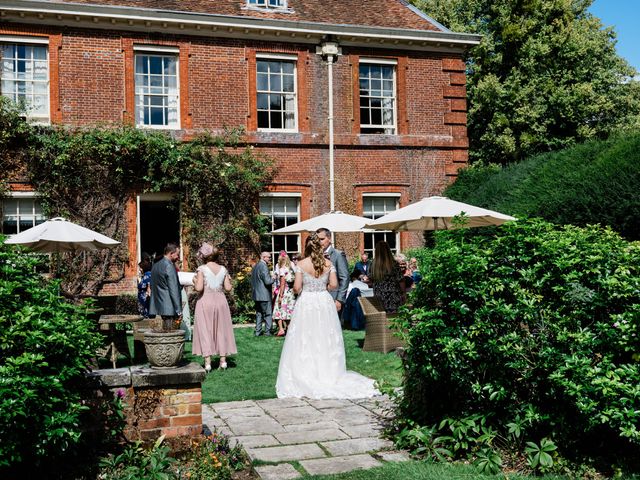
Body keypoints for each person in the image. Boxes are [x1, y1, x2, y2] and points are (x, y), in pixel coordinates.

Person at [275, 233, 379, 399]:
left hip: (307, 302)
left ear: (307, 247)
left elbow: (296, 288)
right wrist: (322, 288)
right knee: (325, 336)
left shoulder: (301, 264)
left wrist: (304, 290)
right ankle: (328, 373)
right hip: (324, 301)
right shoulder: (328, 263)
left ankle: (306, 371)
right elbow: (334, 285)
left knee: (306, 337)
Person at [192, 243, 237, 372]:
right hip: (221, 301)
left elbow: (199, 288)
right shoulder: (223, 269)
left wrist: (195, 281)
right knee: (221, 329)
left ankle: (207, 363)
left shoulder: (202, 269)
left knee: (205, 329)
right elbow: (228, 288)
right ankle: (223, 361)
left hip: (206, 301)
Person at [149, 243, 183, 330]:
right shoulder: (169, 266)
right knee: (170, 335)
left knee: (163, 335)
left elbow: (153, 286)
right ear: (171, 253)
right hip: (169, 307)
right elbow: (174, 289)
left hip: (158, 305)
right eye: (177, 254)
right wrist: (178, 310)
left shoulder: (155, 265)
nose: (178, 257)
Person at [315, 228, 349, 314]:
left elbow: (344, 278)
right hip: (318, 298)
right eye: (317, 239)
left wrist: (339, 300)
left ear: (329, 238)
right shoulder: (315, 255)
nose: (319, 242)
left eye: (322, 239)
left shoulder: (338, 254)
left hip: (334, 297)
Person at [370, 241, 406, 313]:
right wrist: (404, 293)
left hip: (379, 297)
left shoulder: (373, 265)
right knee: (394, 320)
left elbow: (371, 280)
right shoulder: (393, 264)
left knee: (382, 319)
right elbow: (400, 280)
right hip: (393, 297)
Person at [273, 251, 296, 336]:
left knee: (279, 309)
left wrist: (280, 296)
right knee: (289, 310)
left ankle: (281, 329)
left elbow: (282, 284)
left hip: (285, 291)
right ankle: (289, 328)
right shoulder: (292, 266)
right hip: (291, 292)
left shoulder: (282, 269)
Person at [251, 251, 274, 336]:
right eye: (269, 257)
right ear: (264, 257)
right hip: (264, 295)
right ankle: (268, 332)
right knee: (268, 314)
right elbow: (267, 281)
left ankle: (257, 331)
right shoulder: (263, 266)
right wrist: (273, 278)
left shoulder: (256, 266)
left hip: (256, 295)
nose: (270, 259)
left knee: (259, 314)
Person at [137, 253, 152, 318]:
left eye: (140, 268)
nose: (140, 270)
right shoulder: (145, 275)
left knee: (146, 317)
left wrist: (148, 295)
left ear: (144, 267)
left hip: (145, 300)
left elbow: (149, 286)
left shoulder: (148, 275)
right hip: (143, 299)